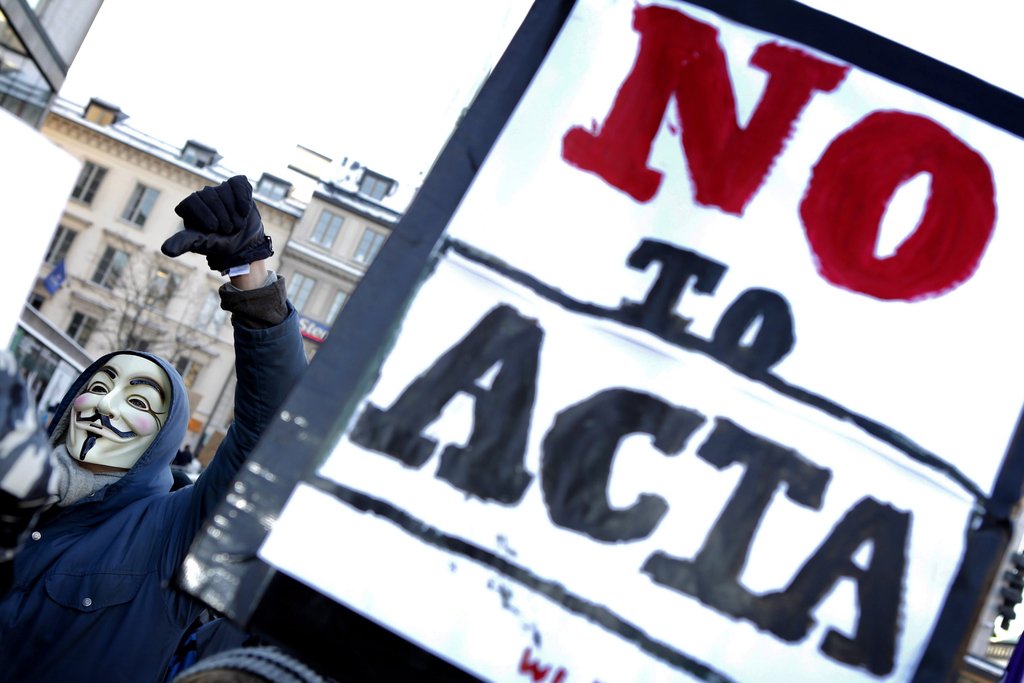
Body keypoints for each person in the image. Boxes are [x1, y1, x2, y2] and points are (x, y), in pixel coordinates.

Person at [0, 175, 307, 683]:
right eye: (99, 386)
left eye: (139, 401)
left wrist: (249, 273)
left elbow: (271, 436)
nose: (106, 406)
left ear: (163, 440)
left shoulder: (171, 535)